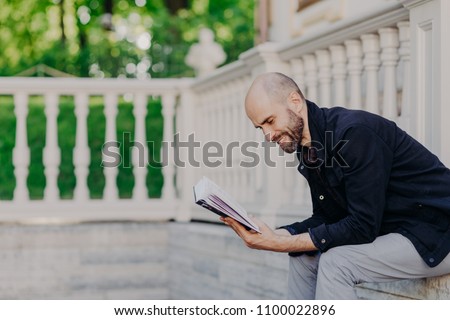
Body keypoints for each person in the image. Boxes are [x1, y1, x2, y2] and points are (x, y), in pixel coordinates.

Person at [220, 72, 450, 299]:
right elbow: (328, 217)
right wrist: (274, 234)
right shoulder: (308, 147)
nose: (267, 135)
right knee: (303, 257)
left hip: (436, 231)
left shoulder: (354, 133)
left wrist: (279, 243)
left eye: (270, 121)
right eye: (261, 127)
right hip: (399, 231)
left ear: (295, 102)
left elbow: (362, 226)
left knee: (337, 262)